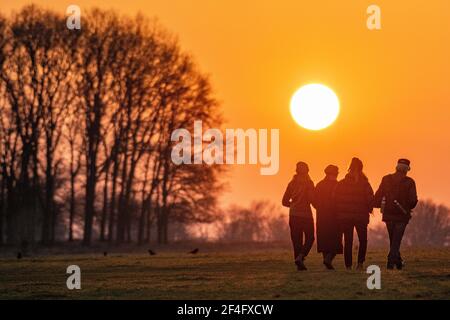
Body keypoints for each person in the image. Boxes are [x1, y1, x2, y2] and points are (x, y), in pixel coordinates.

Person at [374, 159, 418, 270]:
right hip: (402, 216)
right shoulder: (410, 182)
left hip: (388, 216)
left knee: (394, 240)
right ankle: (390, 263)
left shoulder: (386, 179)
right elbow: (413, 201)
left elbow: (377, 196)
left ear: (396, 167)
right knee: (396, 241)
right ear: (407, 169)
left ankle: (398, 263)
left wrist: (381, 205)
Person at [334, 158, 374, 270]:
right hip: (361, 217)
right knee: (363, 240)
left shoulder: (341, 184)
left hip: (345, 218)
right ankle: (360, 264)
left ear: (349, 167)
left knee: (348, 241)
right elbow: (370, 199)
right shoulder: (365, 184)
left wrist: (339, 212)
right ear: (361, 168)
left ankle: (348, 266)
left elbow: (335, 199)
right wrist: (370, 209)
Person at [282, 162, 315, 271]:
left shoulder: (291, 183)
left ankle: (299, 266)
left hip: (293, 215)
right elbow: (311, 199)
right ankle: (301, 257)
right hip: (306, 215)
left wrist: (293, 205)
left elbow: (284, 201)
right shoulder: (309, 183)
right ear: (307, 171)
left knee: (297, 241)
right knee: (310, 238)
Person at [312, 165, 343, 270]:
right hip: (335, 217)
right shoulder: (338, 186)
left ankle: (327, 261)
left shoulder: (319, 185)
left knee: (324, 240)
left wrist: (320, 208)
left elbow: (314, 200)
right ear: (334, 174)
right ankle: (328, 260)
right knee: (336, 240)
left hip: (321, 217)